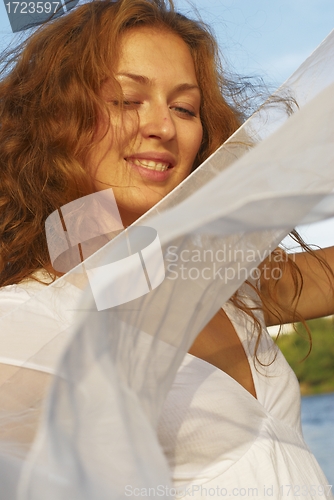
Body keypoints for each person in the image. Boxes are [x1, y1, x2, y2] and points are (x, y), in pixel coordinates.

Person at [0, 0, 333, 498]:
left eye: (185, 107)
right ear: (54, 121)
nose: (163, 127)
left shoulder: (224, 284)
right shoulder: (25, 322)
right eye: (126, 100)